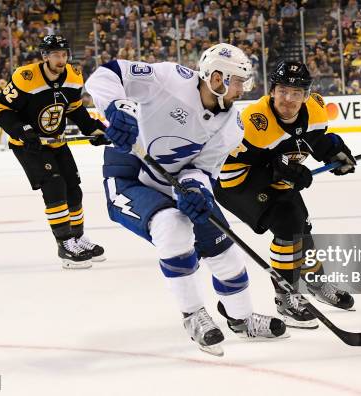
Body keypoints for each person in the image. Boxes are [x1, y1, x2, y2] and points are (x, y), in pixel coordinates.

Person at [84, 43, 288, 356]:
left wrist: (197, 190)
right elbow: (107, 74)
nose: (242, 90)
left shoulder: (232, 126)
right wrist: (115, 107)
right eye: (237, 82)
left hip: (175, 182)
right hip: (129, 175)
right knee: (172, 227)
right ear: (217, 78)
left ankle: (241, 318)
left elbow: (204, 169)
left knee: (224, 250)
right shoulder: (169, 78)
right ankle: (193, 315)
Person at [214, 61, 356, 329]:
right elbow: (232, 165)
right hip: (236, 181)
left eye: (296, 93)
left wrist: (334, 152)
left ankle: (314, 281)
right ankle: (285, 298)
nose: (288, 99)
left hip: (273, 174)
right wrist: (281, 171)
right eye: (282, 91)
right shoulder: (253, 122)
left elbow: (313, 139)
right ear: (272, 91)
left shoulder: (314, 109)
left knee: (302, 225)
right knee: (288, 225)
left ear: (306, 95)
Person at [0, 35, 109, 269]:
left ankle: (77, 238)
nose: (61, 59)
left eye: (64, 54)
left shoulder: (73, 77)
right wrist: (23, 131)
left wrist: (93, 129)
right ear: (45, 56)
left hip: (57, 142)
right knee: (55, 186)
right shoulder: (26, 78)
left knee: (74, 190)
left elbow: (75, 109)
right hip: (29, 146)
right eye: (56, 54)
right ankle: (64, 244)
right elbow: (0, 108)